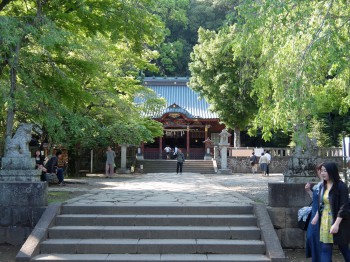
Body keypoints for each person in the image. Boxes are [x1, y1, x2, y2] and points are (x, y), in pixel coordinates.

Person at [311, 162, 350, 262]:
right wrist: (316, 216)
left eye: (325, 171)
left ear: (332, 172)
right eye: (322, 171)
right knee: (325, 248)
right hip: (325, 220)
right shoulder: (323, 186)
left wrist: (336, 224)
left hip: (338, 221)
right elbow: (322, 204)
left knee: (343, 247)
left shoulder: (341, 186)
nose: (323, 173)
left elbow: (344, 207)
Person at [304, 163, 323, 262]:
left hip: (321, 215)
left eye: (323, 170)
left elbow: (324, 203)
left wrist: (317, 215)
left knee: (317, 239)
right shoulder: (318, 185)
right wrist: (308, 191)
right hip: (314, 213)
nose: (320, 172)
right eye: (319, 170)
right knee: (311, 237)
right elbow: (315, 199)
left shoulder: (327, 185)